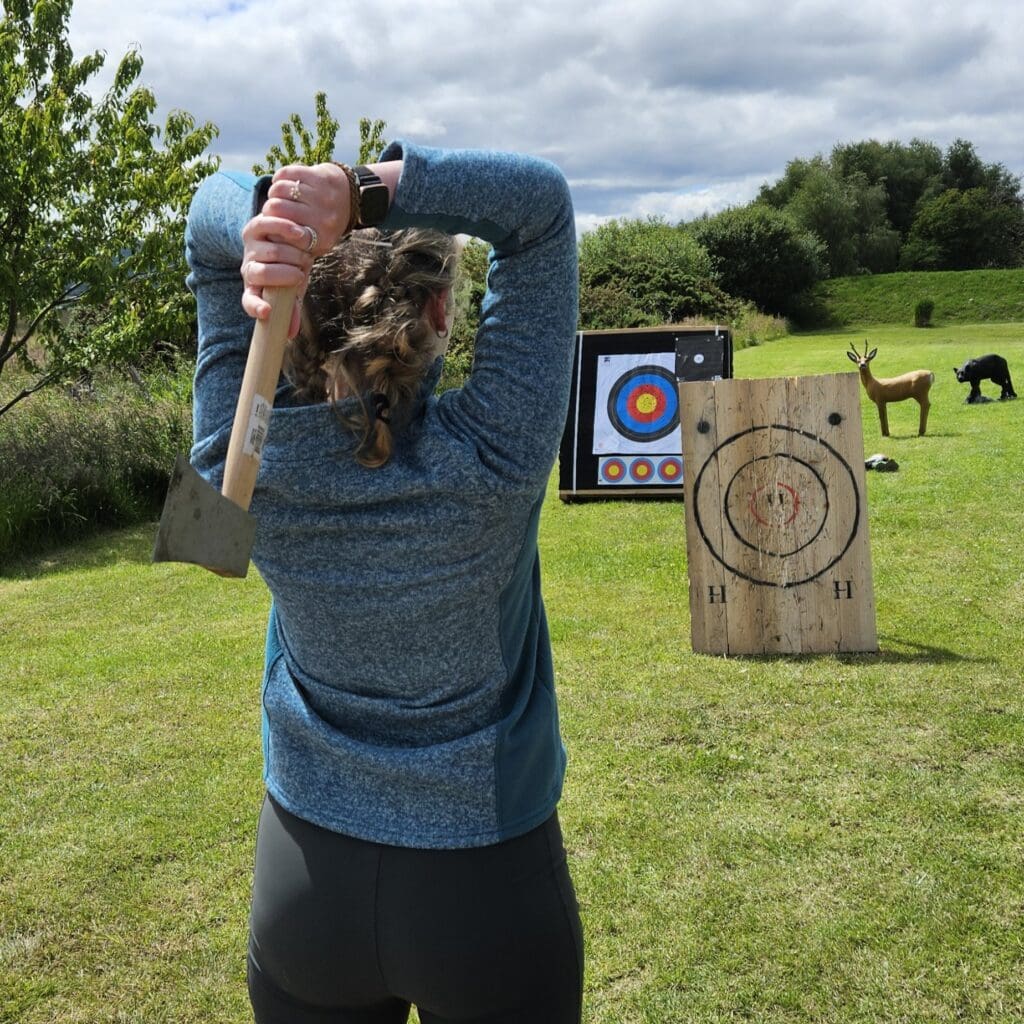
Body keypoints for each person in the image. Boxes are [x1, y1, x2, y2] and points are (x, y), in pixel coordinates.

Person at [184, 139, 583, 1024]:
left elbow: (205, 235)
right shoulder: (496, 456)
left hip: (305, 885)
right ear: (441, 309)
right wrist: (355, 196)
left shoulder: (241, 465)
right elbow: (542, 208)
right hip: (486, 895)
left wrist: (267, 215)